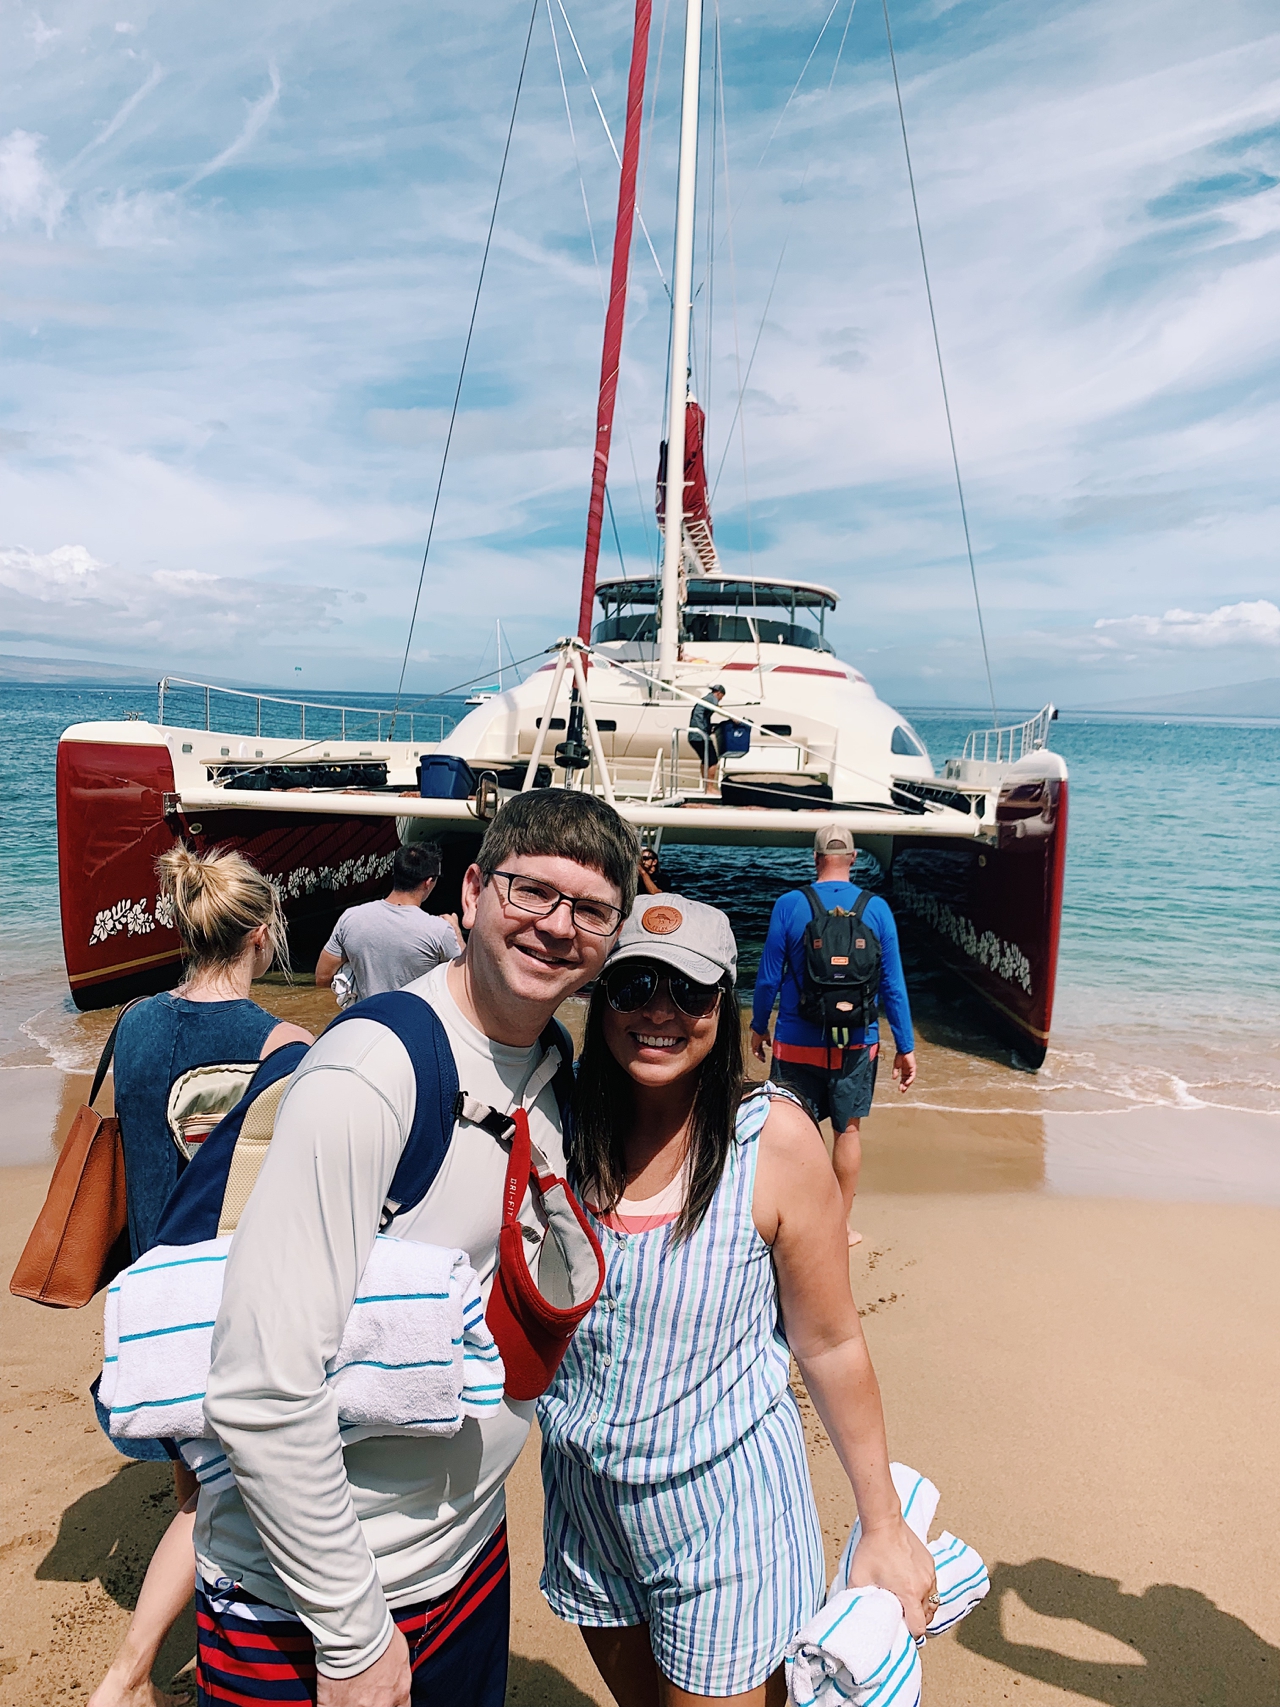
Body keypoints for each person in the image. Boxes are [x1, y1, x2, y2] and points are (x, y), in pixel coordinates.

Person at [189, 791, 637, 1704]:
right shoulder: (373, 1071)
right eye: (531, 893)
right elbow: (259, 1383)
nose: (557, 927)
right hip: (315, 1602)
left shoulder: (554, 1063)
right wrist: (352, 1635)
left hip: (466, 1561)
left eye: (591, 910)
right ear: (469, 894)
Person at [538, 893, 937, 1705]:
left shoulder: (774, 1140)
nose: (660, 1011)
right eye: (634, 984)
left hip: (726, 1522)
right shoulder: (557, 1121)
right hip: (586, 1506)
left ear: (725, 1002)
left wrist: (883, 1524)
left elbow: (829, 1344)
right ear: (599, 996)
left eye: (689, 990)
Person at [91, 844, 313, 1707]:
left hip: (149, 1286)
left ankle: (199, 1636)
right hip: (233, 1295)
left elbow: (135, 1136)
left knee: (194, 1472)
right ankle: (130, 1669)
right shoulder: (284, 1044)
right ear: (262, 934)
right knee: (225, 1488)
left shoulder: (133, 1021)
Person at [750, 824, 916, 1247]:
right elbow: (893, 985)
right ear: (855, 858)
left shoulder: (790, 904)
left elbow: (769, 976)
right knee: (849, 1131)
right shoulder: (876, 908)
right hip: (857, 1042)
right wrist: (905, 1046)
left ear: (815, 857)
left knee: (794, 1130)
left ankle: (799, 1221)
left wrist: (757, 1025)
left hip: (796, 1040)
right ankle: (839, 1227)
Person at [315, 842, 461, 1002]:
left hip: (367, 1019)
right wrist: (456, 931)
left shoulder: (350, 918)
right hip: (412, 1022)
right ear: (428, 882)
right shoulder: (439, 930)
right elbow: (467, 979)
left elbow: (322, 977)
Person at [687, 684, 726, 787]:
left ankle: (706, 786)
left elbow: (702, 717)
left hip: (694, 735)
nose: (720, 700)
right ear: (719, 694)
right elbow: (718, 709)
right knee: (713, 760)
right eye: (721, 697)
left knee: (705, 759)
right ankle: (709, 787)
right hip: (700, 736)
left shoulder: (704, 700)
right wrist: (733, 718)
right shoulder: (711, 698)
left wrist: (710, 727)